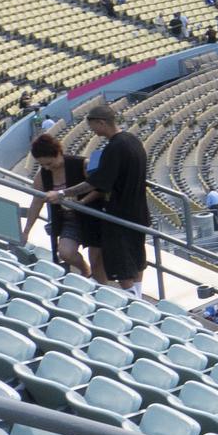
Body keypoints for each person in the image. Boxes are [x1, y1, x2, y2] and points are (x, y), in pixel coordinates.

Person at [63, 103, 151, 293]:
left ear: (101, 123)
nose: (92, 130)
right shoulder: (133, 141)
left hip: (120, 214)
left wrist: (63, 193)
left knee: (122, 266)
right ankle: (139, 298)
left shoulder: (115, 147)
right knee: (136, 259)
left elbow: (95, 182)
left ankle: (134, 305)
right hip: (139, 211)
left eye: (93, 125)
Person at [22, 133, 91, 275]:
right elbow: (36, 202)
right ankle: (85, 270)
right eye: (42, 165)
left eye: (49, 163)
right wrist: (27, 231)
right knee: (65, 253)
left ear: (58, 153)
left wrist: (83, 201)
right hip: (68, 219)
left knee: (97, 257)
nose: (47, 168)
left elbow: (97, 187)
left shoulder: (82, 165)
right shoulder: (42, 175)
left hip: (90, 215)